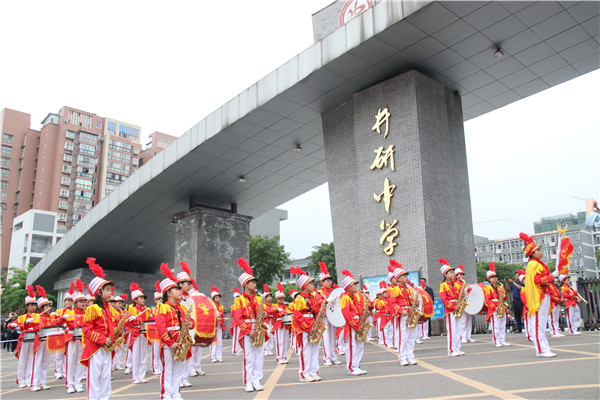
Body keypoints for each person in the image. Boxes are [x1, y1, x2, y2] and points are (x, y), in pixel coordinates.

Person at [156, 263, 196, 400]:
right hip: (169, 343)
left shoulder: (181, 308)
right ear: (168, 293)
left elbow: (189, 321)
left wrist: (191, 324)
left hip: (181, 341)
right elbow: (161, 328)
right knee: (167, 369)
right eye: (176, 289)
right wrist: (170, 342)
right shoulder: (163, 308)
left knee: (179, 367)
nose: (180, 291)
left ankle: (176, 392)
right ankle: (166, 394)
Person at [81, 257, 116, 400]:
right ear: (98, 292)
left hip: (107, 347)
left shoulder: (109, 309)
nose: (110, 293)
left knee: (106, 377)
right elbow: (87, 330)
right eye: (107, 290)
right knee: (95, 377)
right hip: (95, 347)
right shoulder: (92, 309)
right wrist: (102, 339)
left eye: (110, 290)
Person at [233, 257, 267, 392]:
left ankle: (257, 380)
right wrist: (247, 330)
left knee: (259, 356)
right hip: (247, 329)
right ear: (245, 285)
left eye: (254, 282)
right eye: (252, 282)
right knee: (249, 357)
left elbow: (262, 313)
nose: (254, 284)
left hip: (258, 327)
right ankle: (248, 382)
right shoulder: (239, 300)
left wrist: (264, 315)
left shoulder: (259, 299)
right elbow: (237, 317)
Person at [520, 232, 557, 358]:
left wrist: (552, 277)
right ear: (532, 253)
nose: (541, 252)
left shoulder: (538, 263)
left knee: (542, 323)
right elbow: (537, 281)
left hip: (543, 294)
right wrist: (552, 276)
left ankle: (544, 347)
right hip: (538, 296)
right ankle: (540, 349)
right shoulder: (533, 264)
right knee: (538, 323)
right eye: (538, 250)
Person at [290, 267, 322, 383]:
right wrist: (307, 328)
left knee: (315, 349)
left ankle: (314, 371)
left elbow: (316, 311)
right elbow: (297, 316)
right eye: (311, 283)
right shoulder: (299, 298)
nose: (313, 285)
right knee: (306, 350)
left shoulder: (312, 297)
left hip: (314, 324)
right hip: (305, 327)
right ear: (304, 285)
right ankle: (304, 373)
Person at [388, 262, 418, 366]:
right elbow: (392, 304)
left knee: (411, 337)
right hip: (402, 315)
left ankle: (410, 356)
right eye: (404, 276)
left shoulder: (409, 289)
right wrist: (401, 310)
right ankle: (402, 357)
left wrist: (416, 303)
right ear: (398, 278)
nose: (406, 277)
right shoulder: (395, 289)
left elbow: (411, 300)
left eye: (406, 275)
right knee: (403, 337)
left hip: (410, 313)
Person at [339, 270, 368, 375]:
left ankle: (356, 365)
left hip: (358, 323)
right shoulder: (345, 297)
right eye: (354, 285)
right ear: (349, 287)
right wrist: (355, 326)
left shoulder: (354, 297)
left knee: (360, 345)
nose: (356, 287)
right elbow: (346, 314)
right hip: (352, 325)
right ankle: (351, 367)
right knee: (351, 346)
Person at [10, 285, 38, 388]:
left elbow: (39, 326)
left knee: (31, 360)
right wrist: (22, 324)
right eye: (31, 305)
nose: (33, 307)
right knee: (22, 361)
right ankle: (21, 379)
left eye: (34, 304)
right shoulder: (21, 317)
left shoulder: (37, 316)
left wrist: (32, 324)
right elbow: (13, 324)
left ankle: (28, 379)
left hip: (33, 340)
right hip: (24, 340)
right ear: (27, 306)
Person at [316, 262, 342, 366]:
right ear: (322, 282)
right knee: (326, 338)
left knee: (333, 337)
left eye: (330, 281)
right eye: (327, 281)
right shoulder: (319, 292)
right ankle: (326, 358)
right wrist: (326, 301)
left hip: (333, 317)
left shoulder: (334, 291)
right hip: (325, 318)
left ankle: (333, 357)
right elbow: (317, 303)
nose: (329, 282)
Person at [65, 280, 86, 393]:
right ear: (75, 303)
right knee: (70, 361)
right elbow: (58, 321)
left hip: (83, 339)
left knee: (80, 361)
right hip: (72, 338)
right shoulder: (69, 313)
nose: (83, 303)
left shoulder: (87, 313)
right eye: (80, 301)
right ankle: (69, 384)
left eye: (84, 301)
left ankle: (78, 382)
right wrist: (63, 318)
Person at [127, 282, 150, 384]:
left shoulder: (146, 310)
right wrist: (130, 319)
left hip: (144, 333)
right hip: (136, 333)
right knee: (135, 355)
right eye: (140, 298)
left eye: (143, 298)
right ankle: (135, 376)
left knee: (144, 354)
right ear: (135, 300)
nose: (143, 300)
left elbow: (150, 319)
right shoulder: (131, 309)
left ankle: (142, 375)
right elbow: (126, 321)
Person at [439, 258, 463, 356]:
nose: (453, 274)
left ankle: (457, 347)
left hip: (457, 308)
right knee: (452, 330)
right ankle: (451, 350)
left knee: (458, 329)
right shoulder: (443, 285)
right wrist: (453, 307)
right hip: (450, 310)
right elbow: (443, 299)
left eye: (453, 272)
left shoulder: (455, 285)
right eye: (451, 273)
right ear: (445, 275)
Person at [484, 263, 510, 348]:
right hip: (494, 308)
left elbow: (506, 297)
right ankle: (496, 341)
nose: (495, 278)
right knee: (496, 326)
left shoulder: (500, 287)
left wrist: (504, 296)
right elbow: (487, 300)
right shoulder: (488, 288)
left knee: (503, 325)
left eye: (495, 277)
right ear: (489, 279)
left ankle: (502, 340)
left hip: (501, 306)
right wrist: (495, 307)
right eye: (493, 277)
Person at [54, 283, 74, 379]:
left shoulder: (73, 312)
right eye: (68, 301)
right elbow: (55, 322)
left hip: (69, 334)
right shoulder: (59, 311)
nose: (69, 303)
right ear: (64, 301)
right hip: (60, 334)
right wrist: (61, 319)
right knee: (58, 354)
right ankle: (58, 371)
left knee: (67, 354)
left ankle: (65, 371)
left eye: (71, 301)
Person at [271, 282, 291, 364]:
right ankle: (279, 357)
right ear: (276, 299)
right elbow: (271, 311)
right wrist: (277, 311)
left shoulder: (285, 306)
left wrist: (287, 312)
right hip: (279, 325)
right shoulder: (275, 306)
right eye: (280, 298)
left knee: (285, 341)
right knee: (280, 342)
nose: (281, 300)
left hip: (285, 324)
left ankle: (284, 356)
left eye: (282, 298)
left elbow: (289, 312)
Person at [455, 266, 474, 344]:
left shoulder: (465, 284)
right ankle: (462, 337)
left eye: (462, 275)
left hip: (466, 304)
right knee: (462, 321)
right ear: (456, 276)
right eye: (460, 275)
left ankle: (468, 336)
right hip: (460, 304)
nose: (462, 276)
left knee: (469, 321)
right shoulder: (455, 284)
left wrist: (468, 291)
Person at [210, 286, 227, 363]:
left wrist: (224, 320)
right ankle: (213, 356)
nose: (218, 299)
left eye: (218, 297)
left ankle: (219, 356)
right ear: (213, 298)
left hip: (220, 326)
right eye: (216, 297)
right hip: (213, 326)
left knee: (219, 341)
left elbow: (222, 316)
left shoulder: (221, 307)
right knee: (214, 341)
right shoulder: (211, 306)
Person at [151, 282, 164, 375]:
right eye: (158, 299)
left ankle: (162, 366)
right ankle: (156, 367)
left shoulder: (165, 308)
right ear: (155, 301)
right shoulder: (152, 310)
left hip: (163, 332)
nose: (160, 300)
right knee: (155, 351)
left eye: (161, 299)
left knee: (162, 350)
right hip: (155, 333)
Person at [262, 284, 276, 356]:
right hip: (266, 321)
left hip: (272, 321)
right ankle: (265, 349)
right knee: (267, 335)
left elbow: (275, 312)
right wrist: (272, 311)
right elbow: (264, 313)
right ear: (265, 298)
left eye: (270, 296)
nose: (269, 298)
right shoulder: (263, 305)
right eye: (268, 297)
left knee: (271, 336)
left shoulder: (274, 305)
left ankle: (270, 349)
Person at [230, 287, 242, 356]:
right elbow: (232, 315)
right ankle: (234, 350)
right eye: (237, 297)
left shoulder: (241, 305)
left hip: (241, 322)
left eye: (239, 297)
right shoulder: (233, 306)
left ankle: (239, 350)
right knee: (236, 337)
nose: (238, 298)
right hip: (236, 323)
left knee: (240, 336)